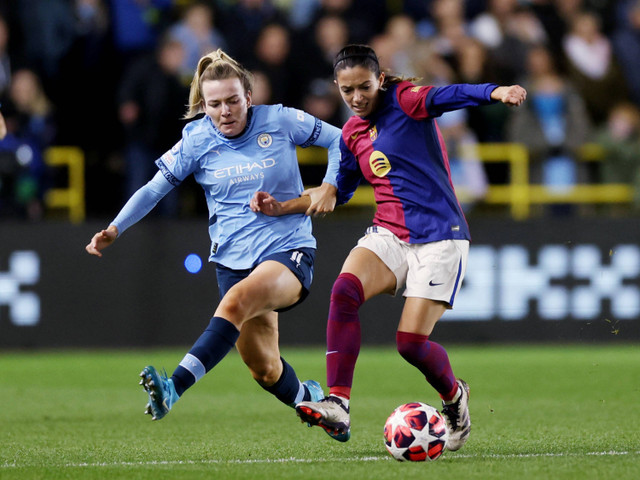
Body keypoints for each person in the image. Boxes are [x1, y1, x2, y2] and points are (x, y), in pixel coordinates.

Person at [255, 44, 526, 449]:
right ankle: (338, 403)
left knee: (410, 344)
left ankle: (454, 397)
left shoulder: (406, 102)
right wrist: (283, 207)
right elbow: (336, 192)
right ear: (337, 88)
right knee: (343, 292)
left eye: (364, 87)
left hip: (440, 236)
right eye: (347, 91)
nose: (357, 97)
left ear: (380, 80)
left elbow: (448, 95)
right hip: (390, 233)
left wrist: (496, 91)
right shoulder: (351, 134)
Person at [85, 49, 341, 422]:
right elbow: (154, 189)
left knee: (235, 303)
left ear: (248, 98)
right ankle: (312, 399)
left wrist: (330, 185)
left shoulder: (281, 120)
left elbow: (341, 139)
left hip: (288, 250)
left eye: (233, 101)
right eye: (215, 103)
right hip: (232, 260)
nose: (225, 111)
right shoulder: (197, 139)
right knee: (264, 368)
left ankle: (173, 387)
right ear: (204, 105)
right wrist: (115, 227)